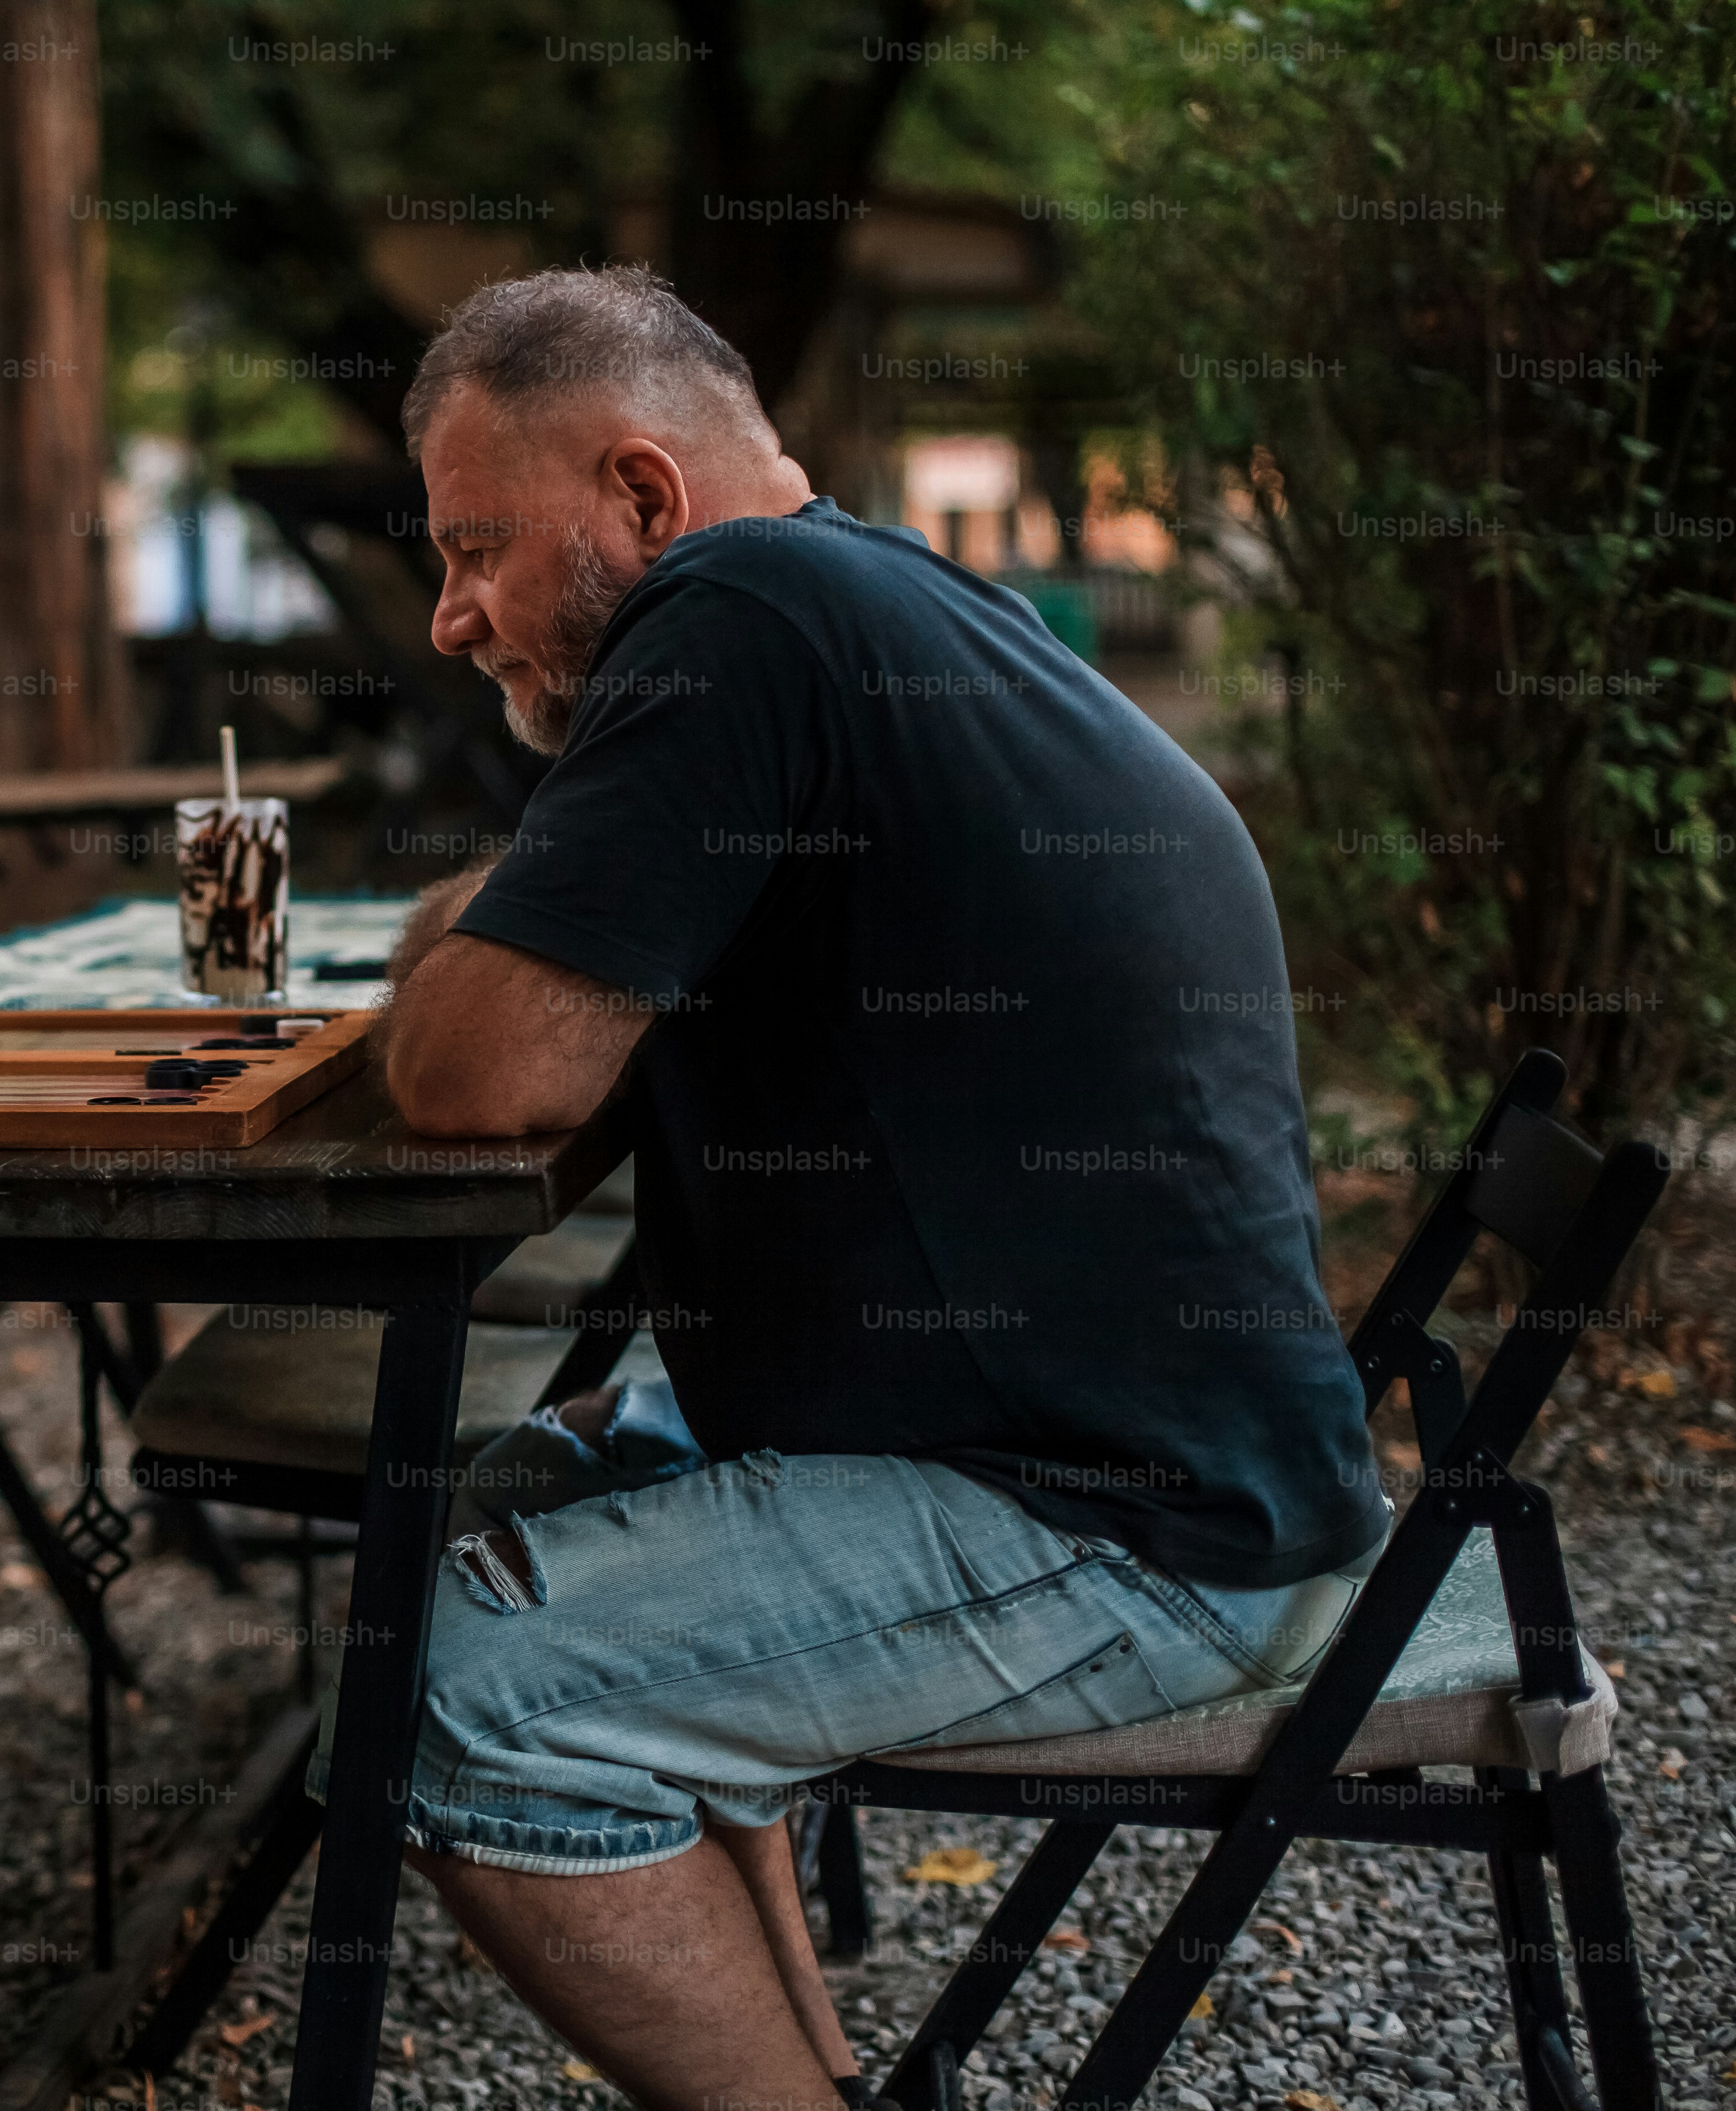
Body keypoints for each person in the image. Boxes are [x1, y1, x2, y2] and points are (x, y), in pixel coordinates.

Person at [357, 265, 1390, 2111]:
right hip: (1138, 1443)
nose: (449, 619)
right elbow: (528, 991)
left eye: (475, 551)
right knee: (446, 1530)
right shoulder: (860, 597)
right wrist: (514, 924)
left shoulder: (735, 616)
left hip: (1122, 1519)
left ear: (646, 499)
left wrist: (486, 939)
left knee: (452, 1695)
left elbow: (475, 1071)